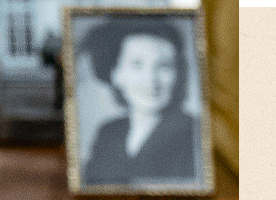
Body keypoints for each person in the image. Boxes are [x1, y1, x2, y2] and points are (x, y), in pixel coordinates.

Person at [78, 16, 200, 186]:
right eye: (137, 65)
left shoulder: (194, 133)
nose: (151, 80)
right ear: (116, 74)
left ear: (178, 74)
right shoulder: (108, 133)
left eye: (164, 66)